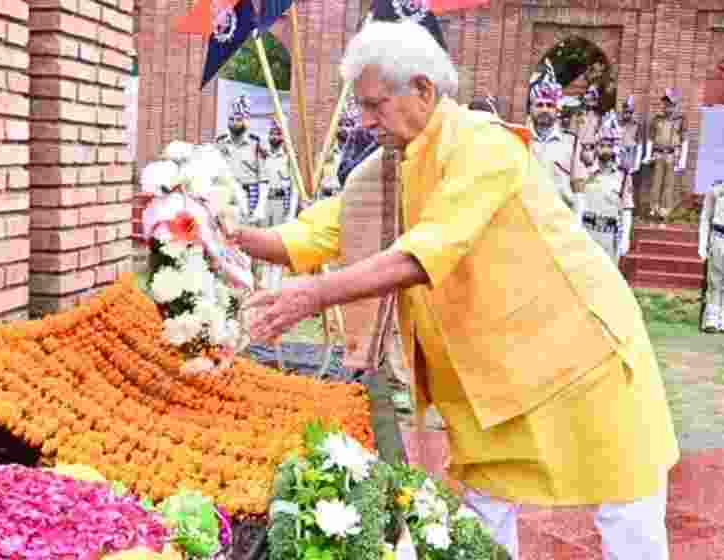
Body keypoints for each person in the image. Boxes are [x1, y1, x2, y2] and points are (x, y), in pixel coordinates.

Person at [239, 19, 678, 560]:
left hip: (580, 360)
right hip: (491, 379)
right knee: (484, 513)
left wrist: (312, 296)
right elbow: (316, 232)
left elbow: (424, 253)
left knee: (626, 505)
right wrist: (224, 231)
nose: (364, 119)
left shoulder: (480, 146)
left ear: (423, 89)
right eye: (362, 106)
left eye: (375, 104)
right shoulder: (388, 168)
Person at [527, 61, 581, 218]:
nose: (544, 109)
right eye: (540, 105)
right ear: (531, 109)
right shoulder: (520, 139)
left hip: (559, 219)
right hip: (527, 218)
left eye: (550, 105)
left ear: (557, 110)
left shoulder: (572, 143)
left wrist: (577, 224)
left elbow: (578, 187)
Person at [581, 111, 634, 265]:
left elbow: (626, 209)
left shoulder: (623, 176)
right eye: (602, 145)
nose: (605, 149)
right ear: (596, 146)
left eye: (609, 146)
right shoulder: (585, 172)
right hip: (587, 233)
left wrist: (625, 239)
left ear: (614, 148)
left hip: (609, 237)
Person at [258, 120, 300, 291]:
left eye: (278, 134)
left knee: (278, 245)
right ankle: (263, 283)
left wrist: (291, 212)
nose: (274, 137)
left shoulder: (289, 157)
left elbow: (295, 187)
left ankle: (275, 285)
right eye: (272, 134)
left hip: (281, 204)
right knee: (263, 243)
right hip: (266, 202)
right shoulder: (264, 156)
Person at [216, 95, 268, 225]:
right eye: (231, 119)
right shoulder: (220, 143)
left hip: (249, 197)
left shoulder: (256, 144)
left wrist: (260, 207)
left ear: (246, 120)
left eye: (239, 119)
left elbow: (264, 180)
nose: (234, 122)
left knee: (246, 238)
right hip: (225, 197)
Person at [647, 88, 687, 220]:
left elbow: (685, 140)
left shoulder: (681, 120)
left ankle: (664, 211)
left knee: (669, 184)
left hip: (672, 154)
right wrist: (648, 155)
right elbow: (651, 138)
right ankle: (654, 208)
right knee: (656, 182)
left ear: (675, 104)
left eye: (670, 103)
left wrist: (683, 159)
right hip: (658, 154)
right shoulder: (657, 119)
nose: (667, 106)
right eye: (665, 103)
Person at [699, 179, 724, 333]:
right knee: (715, 279)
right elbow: (705, 217)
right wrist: (702, 244)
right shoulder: (716, 190)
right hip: (719, 236)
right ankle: (712, 319)